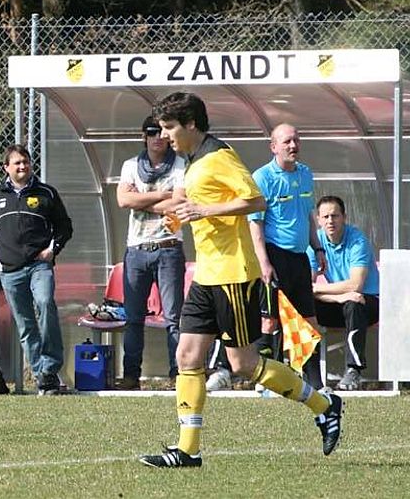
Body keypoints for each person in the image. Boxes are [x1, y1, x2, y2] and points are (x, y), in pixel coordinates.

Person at [139, 92, 343, 469]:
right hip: (207, 274)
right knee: (187, 356)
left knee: (244, 364)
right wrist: (176, 212)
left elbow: (255, 201)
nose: (164, 136)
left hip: (232, 274)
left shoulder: (220, 156)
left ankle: (324, 404)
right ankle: (188, 450)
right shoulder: (192, 159)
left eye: (169, 128)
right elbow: (188, 199)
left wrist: (204, 209)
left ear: (191, 124)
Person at [208, 123, 328, 391]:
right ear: (273, 147)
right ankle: (264, 379)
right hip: (274, 256)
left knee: (308, 321)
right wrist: (264, 262)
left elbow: (308, 216)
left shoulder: (305, 174)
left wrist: (318, 248)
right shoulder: (262, 177)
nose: (293, 145)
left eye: (296, 140)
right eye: (287, 141)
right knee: (269, 320)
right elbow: (256, 224)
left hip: (299, 257)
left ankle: (315, 383)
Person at [0, 144, 73, 395]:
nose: (22, 166)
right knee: (25, 323)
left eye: (25, 162)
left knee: (45, 303)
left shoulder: (46, 193)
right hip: (9, 270)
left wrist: (53, 249)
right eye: (17, 162)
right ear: (6, 167)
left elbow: (65, 226)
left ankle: (50, 367)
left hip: (39, 265)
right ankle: (42, 376)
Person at [115, 116, 186, 390]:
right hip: (137, 251)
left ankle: (178, 375)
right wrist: (162, 196)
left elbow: (179, 202)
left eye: (161, 132)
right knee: (134, 318)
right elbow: (123, 200)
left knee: (173, 318)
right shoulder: (130, 165)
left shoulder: (180, 164)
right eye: (151, 132)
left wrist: (141, 201)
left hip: (169, 248)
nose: (157, 137)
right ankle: (131, 376)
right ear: (143, 136)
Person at [308, 195, 380, 391]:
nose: (330, 221)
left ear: (344, 217)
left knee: (354, 304)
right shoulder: (315, 243)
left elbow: (356, 285)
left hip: (368, 302)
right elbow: (308, 289)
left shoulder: (358, 240)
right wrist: (338, 297)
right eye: (325, 217)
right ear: (318, 219)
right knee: (303, 305)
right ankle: (307, 373)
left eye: (335, 216)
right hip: (339, 301)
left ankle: (353, 370)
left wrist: (318, 289)